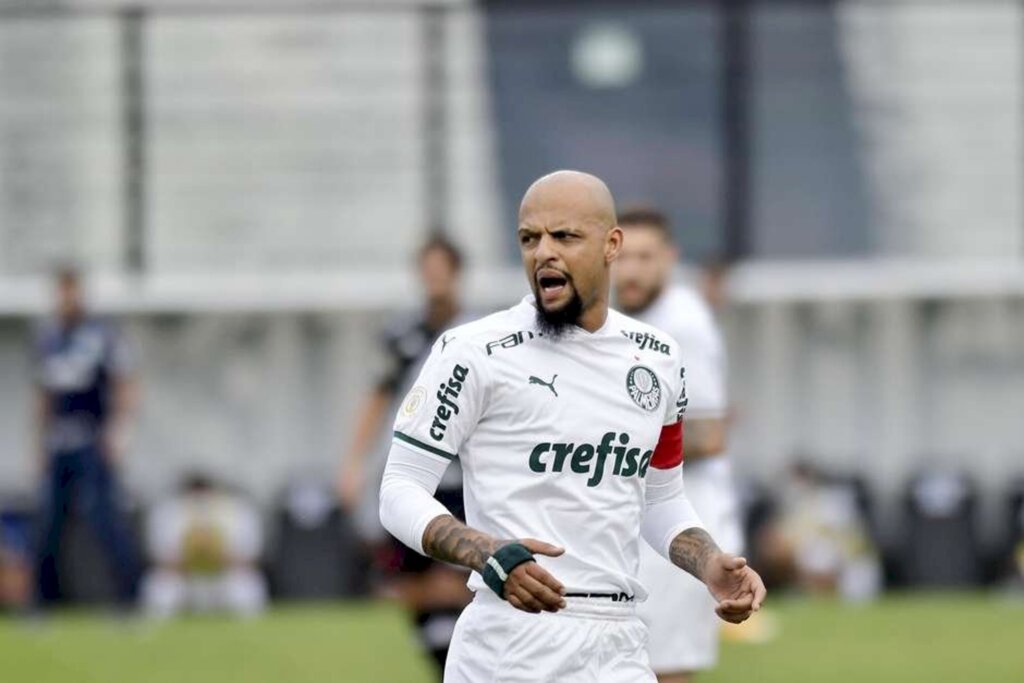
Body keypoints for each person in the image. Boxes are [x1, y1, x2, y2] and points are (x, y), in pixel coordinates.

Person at [379, 170, 766, 681]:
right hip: (510, 643)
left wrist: (708, 562)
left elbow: (660, 497)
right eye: (529, 238)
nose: (544, 252)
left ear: (612, 245)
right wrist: (485, 552)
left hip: (619, 641)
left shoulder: (658, 359)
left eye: (564, 236)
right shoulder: (472, 352)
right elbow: (398, 489)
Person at [613, 207, 744, 683]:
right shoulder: (616, 322)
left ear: (669, 259)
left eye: (645, 257)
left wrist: (614, 449)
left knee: (665, 668)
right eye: (623, 257)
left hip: (684, 521)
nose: (631, 269)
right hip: (639, 517)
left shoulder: (683, 324)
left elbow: (709, 434)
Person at [337, 234, 471, 674]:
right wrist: (354, 462)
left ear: (456, 272)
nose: (433, 278)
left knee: (463, 574)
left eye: (441, 268)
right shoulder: (403, 335)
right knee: (407, 583)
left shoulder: (476, 332)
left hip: (462, 478)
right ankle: (443, 655)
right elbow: (378, 397)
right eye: (426, 269)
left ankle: (460, 658)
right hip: (413, 474)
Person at [32, 267, 141, 606]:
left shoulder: (102, 335)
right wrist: (39, 445)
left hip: (93, 439)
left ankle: (129, 599)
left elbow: (125, 384)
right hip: (59, 442)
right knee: (50, 523)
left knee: (105, 521)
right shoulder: (48, 338)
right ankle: (44, 603)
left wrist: (119, 432)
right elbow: (43, 397)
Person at [141, 473, 267, 618]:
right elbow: (160, 560)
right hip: (184, 577)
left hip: (225, 576)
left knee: (244, 588)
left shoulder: (238, 510)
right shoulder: (168, 511)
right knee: (161, 588)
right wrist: (193, 555)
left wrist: (216, 555)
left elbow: (250, 559)